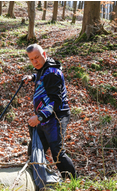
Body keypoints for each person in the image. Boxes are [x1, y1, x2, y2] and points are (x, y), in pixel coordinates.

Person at [24, 44, 77, 179]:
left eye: (37, 58)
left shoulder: (52, 73)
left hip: (56, 116)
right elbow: (41, 77)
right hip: (45, 117)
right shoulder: (43, 68)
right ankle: (38, 179)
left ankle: (73, 182)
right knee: (35, 149)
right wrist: (32, 77)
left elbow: (56, 101)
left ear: (44, 55)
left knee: (57, 152)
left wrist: (39, 117)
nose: (35, 62)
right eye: (31, 59)